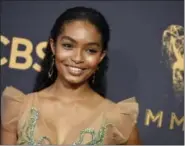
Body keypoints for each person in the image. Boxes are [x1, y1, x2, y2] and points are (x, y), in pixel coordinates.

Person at [1, 6, 141, 145]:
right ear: (53, 46)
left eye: (91, 50)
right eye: (68, 46)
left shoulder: (119, 120)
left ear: (101, 56)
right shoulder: (18, 109)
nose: (77, 58)